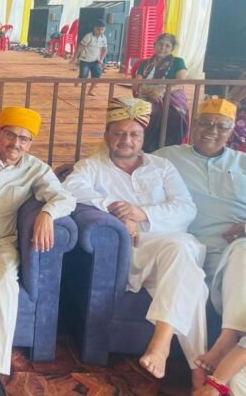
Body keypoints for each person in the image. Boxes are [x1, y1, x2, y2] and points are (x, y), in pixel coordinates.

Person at [63, 97, 207, 389]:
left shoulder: (162, 166)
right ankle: (197, 370)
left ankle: (162, 344)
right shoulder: (92, 167)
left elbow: (186, 208)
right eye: (119, 133)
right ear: (107, 134)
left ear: (143, 137)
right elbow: (71, 190)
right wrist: (117, 212)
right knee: (191, 278)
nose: (126, 140)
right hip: (138, 251)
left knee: (181, 257)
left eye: (134, 134)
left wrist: (141, 213)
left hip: (173, 243)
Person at [0, 107, 76, 396]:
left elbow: (65, 198)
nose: (16, 144)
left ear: (31, 143)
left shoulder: (36, 169)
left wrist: (47, 213)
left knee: (6, 285)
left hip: (4, 241)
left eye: (24, 139)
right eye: (10, 135)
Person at [153, 99, 246, 382]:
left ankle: (227, 340)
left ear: (231, 131)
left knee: (242, 250)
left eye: (222, 126)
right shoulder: (167, 158)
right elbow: (127, 165)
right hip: (194, 245)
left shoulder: (242, 163)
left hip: (237, 244)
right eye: (206, 123)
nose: (212, 131)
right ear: (194, 125)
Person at [133, 33, 190, 153]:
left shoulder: (178, 62)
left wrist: (163, 90)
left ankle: (170, 149)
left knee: (175, 114)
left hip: (171, 94)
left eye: (167, 46)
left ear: (172, 49)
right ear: (155, 45)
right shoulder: (145, 63)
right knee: (146, 112)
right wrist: (150, 91)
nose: (163, 48)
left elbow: (181, 83)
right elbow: (136, 84)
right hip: (147, 94)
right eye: (160, 44)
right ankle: (146, 148)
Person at [72, 19, 107, 96]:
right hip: (85, 60)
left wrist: (101, 59)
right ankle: (79, 77)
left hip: (96, 60)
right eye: (98, 29)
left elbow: (104, 49)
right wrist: (74, 58)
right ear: (94, 28)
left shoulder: (104, 38)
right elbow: (80, 46)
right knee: (84, 76)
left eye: (102, 29)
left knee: (97, 76)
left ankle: (90, 91)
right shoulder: (88, 36)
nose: (100, 31)